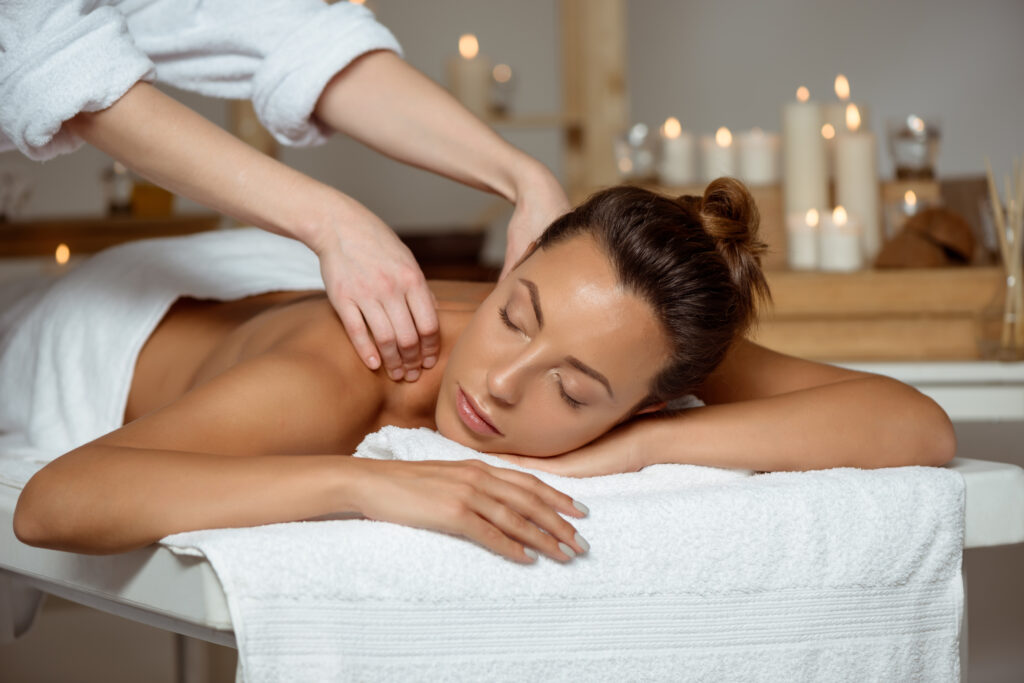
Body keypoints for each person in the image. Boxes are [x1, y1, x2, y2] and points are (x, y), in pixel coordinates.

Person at [9, 179, 956, 564]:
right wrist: (368, 483)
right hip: (101, 320)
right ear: (517, 263)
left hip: (248, 287)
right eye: (514, 313)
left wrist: (636, 448)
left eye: (576, 391)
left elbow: (914, 423)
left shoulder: (631, 328)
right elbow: (54, 501)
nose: (504, 380)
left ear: (650, 391)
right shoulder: (338, 373)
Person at [0, 0, 569, 383]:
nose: (506, 383)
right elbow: (58, 62)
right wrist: (332, 221)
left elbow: (293, 37)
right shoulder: (311, 377)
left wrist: (524, 177)